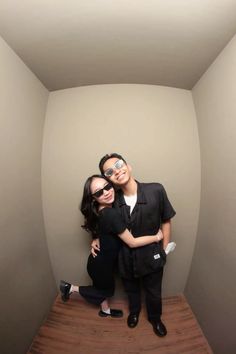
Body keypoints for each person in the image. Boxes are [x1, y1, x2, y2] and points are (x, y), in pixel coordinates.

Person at [92, 154, 176, 336]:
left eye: (119, 165)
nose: (117, 171)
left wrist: (164, 250)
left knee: (154, 293)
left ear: (128, 166)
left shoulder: (156, 190)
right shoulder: (110, 201)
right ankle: (135, 313)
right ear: (108, 179)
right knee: (131, 290)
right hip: (125, 259)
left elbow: (166, 220)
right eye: (109, 171)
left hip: (152, 257)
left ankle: (155, 319)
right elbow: (105, 224)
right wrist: (96, 238)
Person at [60, 174, 164, 318]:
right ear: (93, 198)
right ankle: (70, 288)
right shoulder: (110, 214)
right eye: (98, 192)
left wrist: (95, 238)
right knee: (105, 291)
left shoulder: (100, 209)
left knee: (103, 289)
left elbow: (98, 228)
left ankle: (105, 310)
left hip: (98, 262)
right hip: (101, 266)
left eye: (107, 187)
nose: (106, 192)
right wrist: (156, 237)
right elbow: (132, 242)